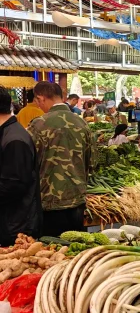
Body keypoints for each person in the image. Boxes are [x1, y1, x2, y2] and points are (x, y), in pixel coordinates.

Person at [28, 80, 94, 236]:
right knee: (76, 245)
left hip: (49, 202)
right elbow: (91, 163)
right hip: (77, 200)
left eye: (37, 101)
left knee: (52, 247)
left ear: (41, 98)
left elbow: (27, 162)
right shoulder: (82, 123)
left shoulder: (39, 124)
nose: (38, 106)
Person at [0, 85, 42, 245]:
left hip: (16, 227)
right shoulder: (7, 133)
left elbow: (13, 185)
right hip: (10, 222)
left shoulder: (15, 140)